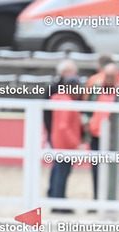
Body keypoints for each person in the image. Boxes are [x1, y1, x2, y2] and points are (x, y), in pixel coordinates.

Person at [86, 62, 119, 200]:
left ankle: (110, 198)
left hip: (113, 137)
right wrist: (88, 122)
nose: (108, 78)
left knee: (112, 169)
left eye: (111, 76)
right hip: (96, 135)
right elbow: (88, 108)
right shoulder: (96, 88)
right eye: (107, 75)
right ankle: (97, 198)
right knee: (96, 169)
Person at [47, 76, 83, 213]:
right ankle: (58, 204)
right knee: (62, 174)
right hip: (65, 145)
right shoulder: (67, 103)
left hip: (60, 142)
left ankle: (58, 201)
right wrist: (75, 143)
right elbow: (64, 127)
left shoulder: (60, 100)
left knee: (59, 173)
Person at [44, 59, 78, 146]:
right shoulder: (53, 88)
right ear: (62, 72)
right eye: (70, 71)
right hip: (56, 131)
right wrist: (50, 129)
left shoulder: (77, 88)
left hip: (72, 131)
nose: (73, 73)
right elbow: (47, 112)